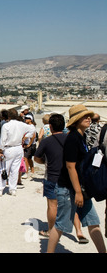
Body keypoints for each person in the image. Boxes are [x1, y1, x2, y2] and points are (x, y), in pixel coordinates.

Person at [47, 104, 106, 253]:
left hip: (79, 188)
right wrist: (78, 192)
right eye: (84, 116)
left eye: (89, 116)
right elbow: (70, 166)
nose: (88, 118)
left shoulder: (82, 136)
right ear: (76, 120)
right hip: (69, 189)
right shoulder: (73, 138)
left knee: (93, 222)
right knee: (61, 225)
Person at [33, 114, 88, 242]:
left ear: (50, 127)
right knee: (72, 205)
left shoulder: (47, 141)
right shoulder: (71, 138)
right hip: (70, 176)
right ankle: (79, 231)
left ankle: (51, 230)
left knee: (52, 205)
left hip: (52, 176)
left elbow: (36, 158)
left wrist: (45, 162)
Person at [0, 109, 35, 197]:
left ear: (8, 116)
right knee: (14, 170)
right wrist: (26, 136)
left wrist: (0, 150)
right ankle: (13, 189)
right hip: (18, 147)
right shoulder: (22, 125)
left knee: (3, 169)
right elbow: (32, 129)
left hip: (8, 148)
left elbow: (3, 139)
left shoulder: (6, 126)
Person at [22, 114, 37, 178]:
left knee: (25, 158)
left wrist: (29, 144)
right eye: (25, 118)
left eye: (27, 118)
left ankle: (26, 172)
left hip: (29, 145)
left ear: (30, 119)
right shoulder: (30, 126)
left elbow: (33, 136)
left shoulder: (31, 127)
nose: (26, 119)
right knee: (29, 158)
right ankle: (32, 171)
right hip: (31, 144)